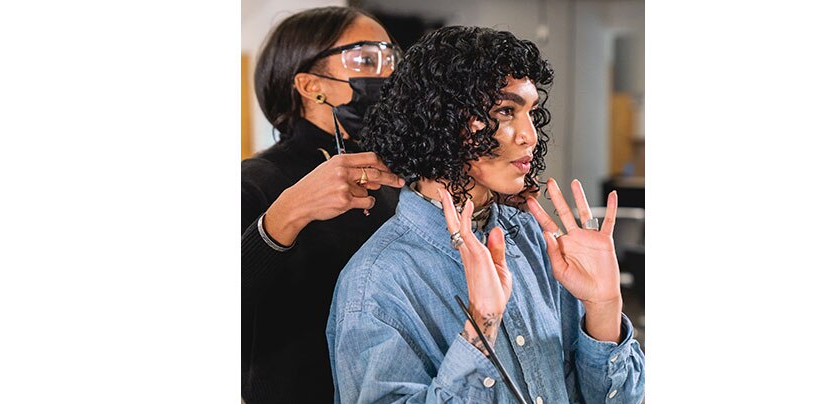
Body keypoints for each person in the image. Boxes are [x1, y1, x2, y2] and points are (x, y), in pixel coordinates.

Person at [327, 26, 644, 403]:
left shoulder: (532, 238)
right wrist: (480, 330)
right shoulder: (377, 282)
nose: (530, 135)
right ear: (438, 118)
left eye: (531, 112)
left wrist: (604, 309)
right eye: (506, 111)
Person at [241, 6, 406, 403]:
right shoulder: (255, 181)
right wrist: (285, 216)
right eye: (367, 59)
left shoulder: (393, 181)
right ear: (310, 84)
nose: (387, 74)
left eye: (391, 59)